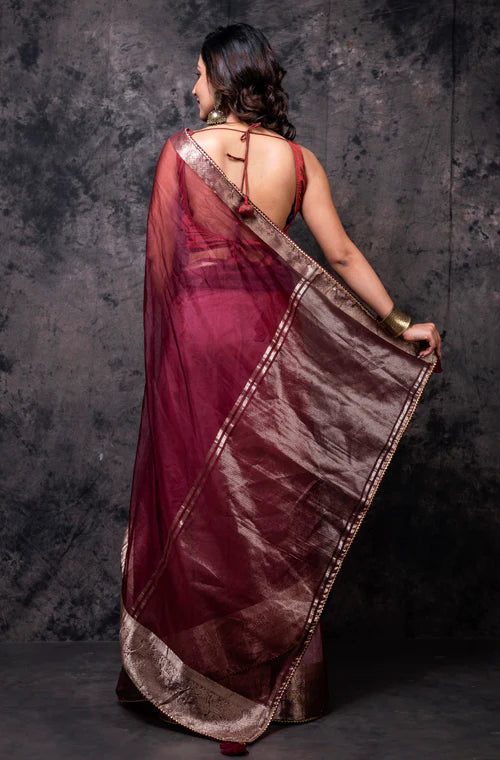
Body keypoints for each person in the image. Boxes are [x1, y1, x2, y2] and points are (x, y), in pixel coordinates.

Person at [115, 23, 442, 757]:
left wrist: (173, 369)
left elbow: (163, 273)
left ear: (222, 79)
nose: (192, 87)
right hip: (271, 342)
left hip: (199, 343)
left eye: (199, 74)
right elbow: (341, 254)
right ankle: (276, 685)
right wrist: (400, 323)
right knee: (267, 497)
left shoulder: (180, 154)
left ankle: (196, 682)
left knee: (199, 499)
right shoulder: (297, 161)